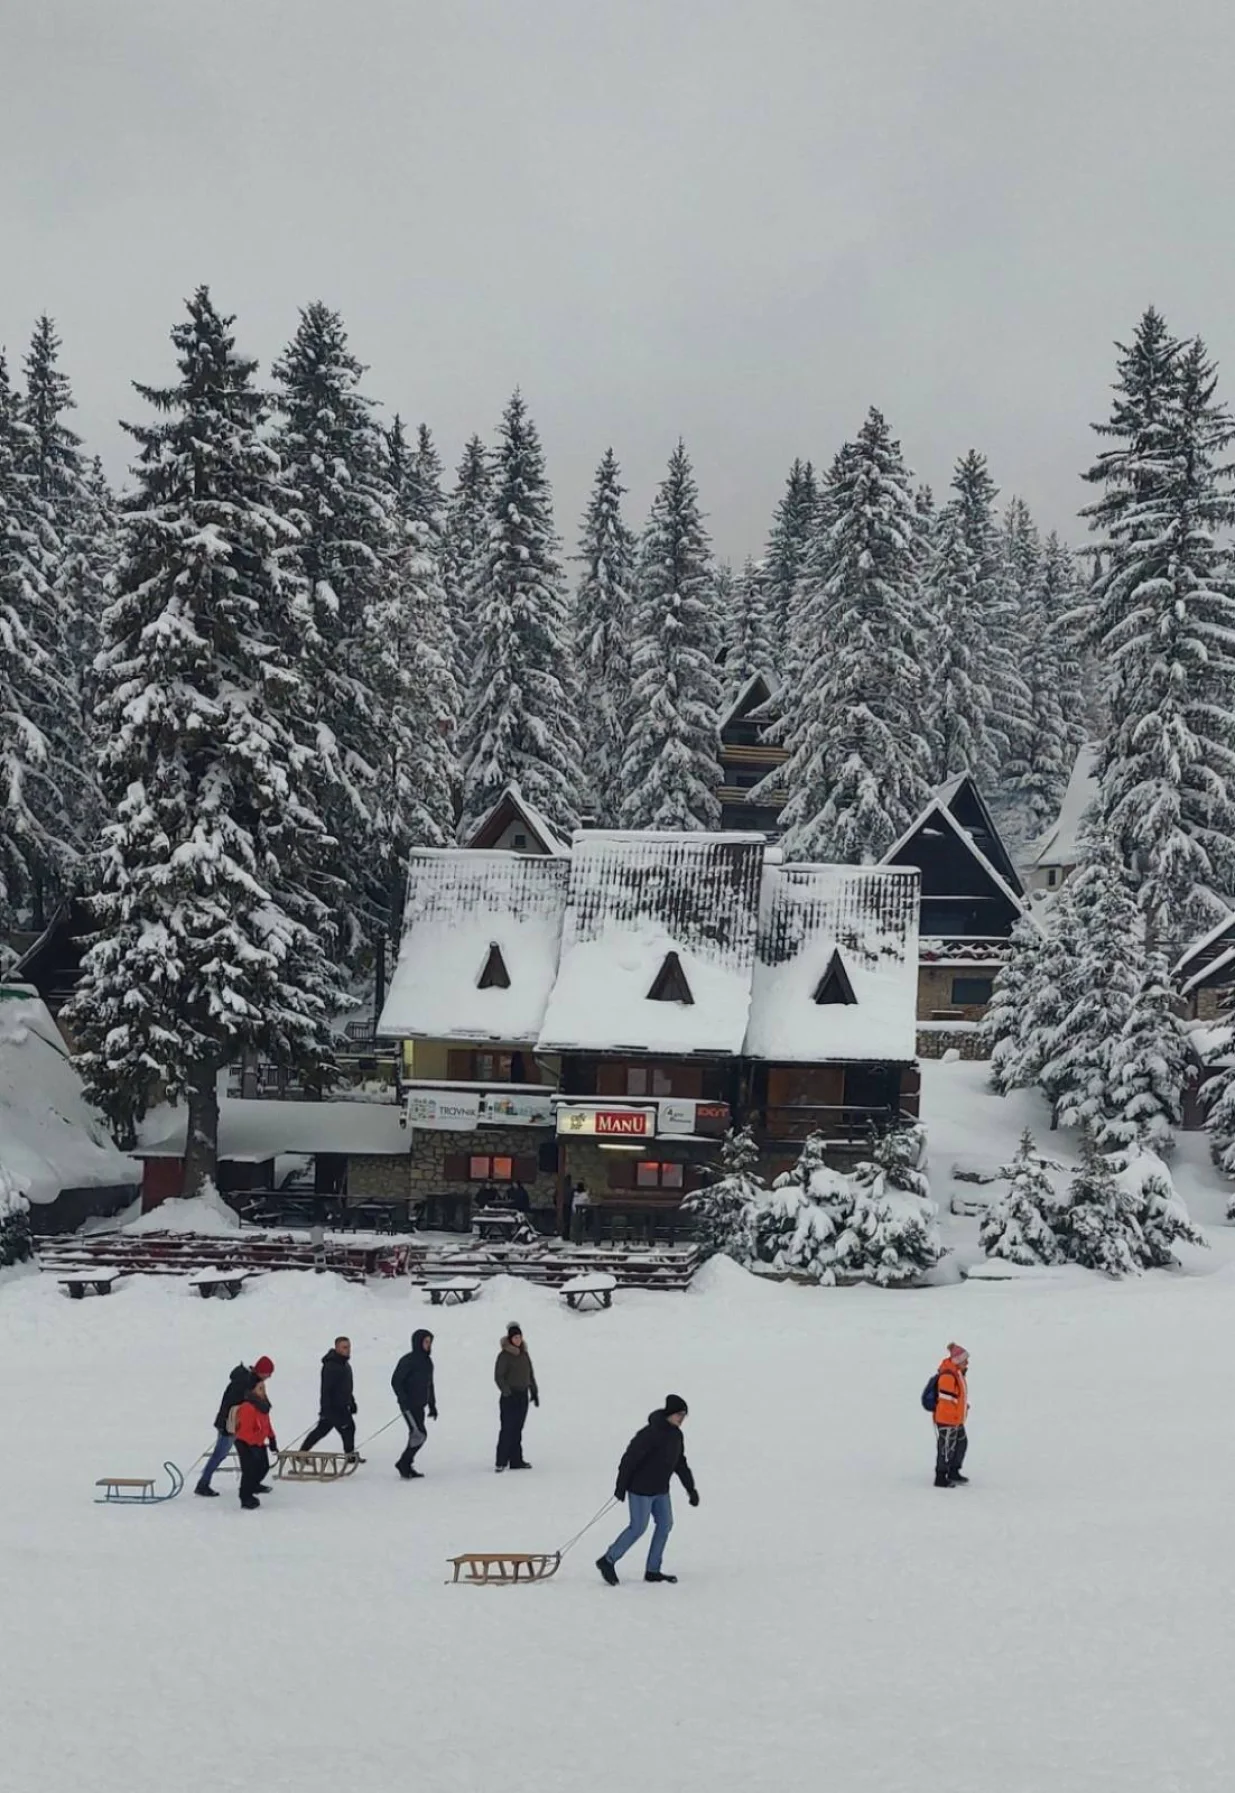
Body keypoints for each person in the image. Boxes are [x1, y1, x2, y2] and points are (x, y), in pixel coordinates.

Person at [597, 1395, 698, 1586]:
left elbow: (680, 1462)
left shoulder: (676, 1435)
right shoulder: (650, 1434)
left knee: (665, 1524)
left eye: (684, 1415)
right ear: (669, 1414)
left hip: (661, 1490)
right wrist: (621, 1487)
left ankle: (653, 1570)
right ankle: (607, 1560)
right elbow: (629, 1460)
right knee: (638, 1527)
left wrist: (690, 1489)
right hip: (640, 1490)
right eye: (679, 1415)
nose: (682, 1419)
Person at [195, 1355, 274, 1497]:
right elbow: (231, 1404)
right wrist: (226, 1425)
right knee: (220, 1454)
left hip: (239, 1425)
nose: (269, 1377)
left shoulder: (253, 1381)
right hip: (230, 1424)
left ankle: (252, 1483)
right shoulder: (244, 1382)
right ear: (261, 1371)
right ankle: (203, 1484)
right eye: (268, 1373)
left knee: (249, 1457)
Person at [391, 1328, 437, 1479]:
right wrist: (403, 1398)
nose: (428, 1345)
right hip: (409, 1405)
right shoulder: (408, 1360)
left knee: (417, 1435)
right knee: (419, 1434)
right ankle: (404, 1463)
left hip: (420, 1405)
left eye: (430, 1342)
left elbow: (429, 1384)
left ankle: (405, 1464)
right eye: (426, 1342)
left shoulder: (427, 1361)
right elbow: (396, 1381)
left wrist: (432, 1405)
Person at [494, 1322, 539, 1472]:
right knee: (507, 1428)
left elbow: (530, 1374)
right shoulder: (504, 1356)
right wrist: (507, 1392)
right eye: (515, 1337)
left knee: (518, 1429)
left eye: (520, 1337)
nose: (518, 1340)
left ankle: (516, 1460)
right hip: (509, 1397)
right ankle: (501, 1461)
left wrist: (534, 1391)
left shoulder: (524, 1354)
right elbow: (499, 1377)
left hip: (522, 1395)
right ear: (510, 1338)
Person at [301, 1337, 358, 1456]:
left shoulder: (345, 1364)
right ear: (337, 1348)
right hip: (334, 1407)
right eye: (344, 1347)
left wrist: (351, 1402)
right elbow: (326, 1389)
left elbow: (346, 1388)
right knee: (347, 1428)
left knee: (324, 1429)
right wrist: (326, 1409)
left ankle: (303, 1451)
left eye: (349, 1347)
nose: (348, 1350)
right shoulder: (331, 1366)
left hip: (342, 1406)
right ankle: (350, 1456)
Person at [233, 1377, 278, 1510]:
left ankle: (253, 1486)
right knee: (249, 1470)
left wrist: (272, 1438)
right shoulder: (248, 1407)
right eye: (260, 1388)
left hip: (258, 1443)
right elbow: (245, 1431)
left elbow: (266, 1423)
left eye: (264, 1388)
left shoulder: (263, 1405)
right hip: (245, 1443)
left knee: (263, 1467)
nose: (263, 1391)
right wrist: (253, 1445)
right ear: (252, 1390)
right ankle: (245, 1497)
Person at [933, 1342, 970, 1488]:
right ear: (958, 1360)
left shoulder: (957, 1372)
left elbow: (958, 1397)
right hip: (948, 1419)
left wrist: (963, 1408)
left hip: (956, 1418)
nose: (967, 1363)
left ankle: (953, 1471)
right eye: (965, 1360)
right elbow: (946, 1400)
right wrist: (955, 1415)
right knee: (946, 1448)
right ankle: (941, 1477)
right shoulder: (948, 1375)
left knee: (961, 1444)